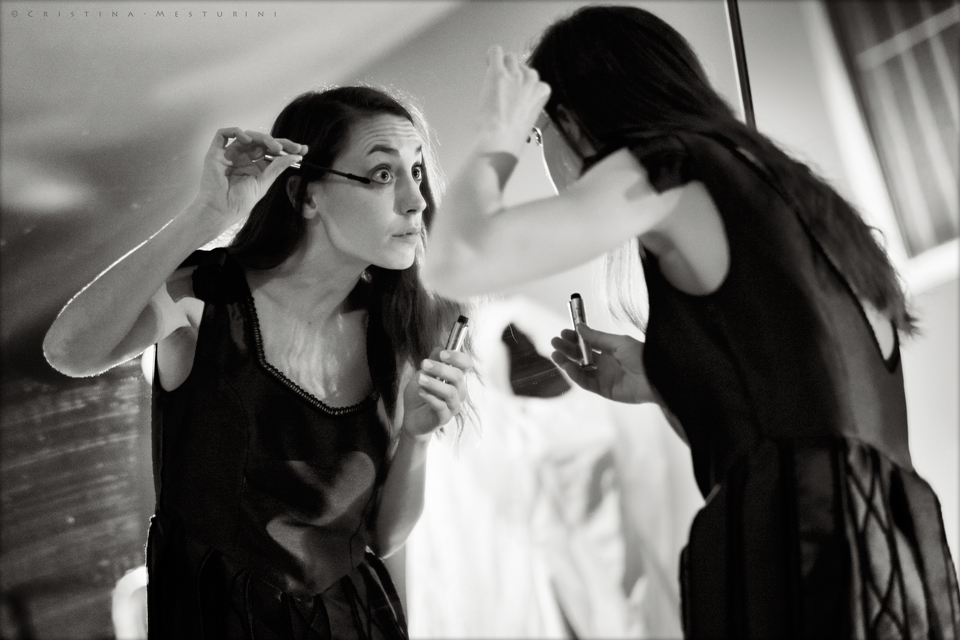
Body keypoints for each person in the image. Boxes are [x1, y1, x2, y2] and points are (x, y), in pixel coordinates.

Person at [422, 5, 960, 638]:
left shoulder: (665, 166)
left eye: (541, 135)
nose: (543, 154)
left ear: (575, 118)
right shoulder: (798, 195)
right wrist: (664, 377)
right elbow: (816, 392)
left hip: (805, 542)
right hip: (902, 549)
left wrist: (499, 132)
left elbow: (453, 262)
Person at [44, 85, 474, 639]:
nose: (416, 201)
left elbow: (383, 538)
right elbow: (69, 351)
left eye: (416, 171)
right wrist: (205, 215)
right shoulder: (205, 298)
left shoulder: (400, 328)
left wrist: (418, 437)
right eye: (383, 174)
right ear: (306, 196)